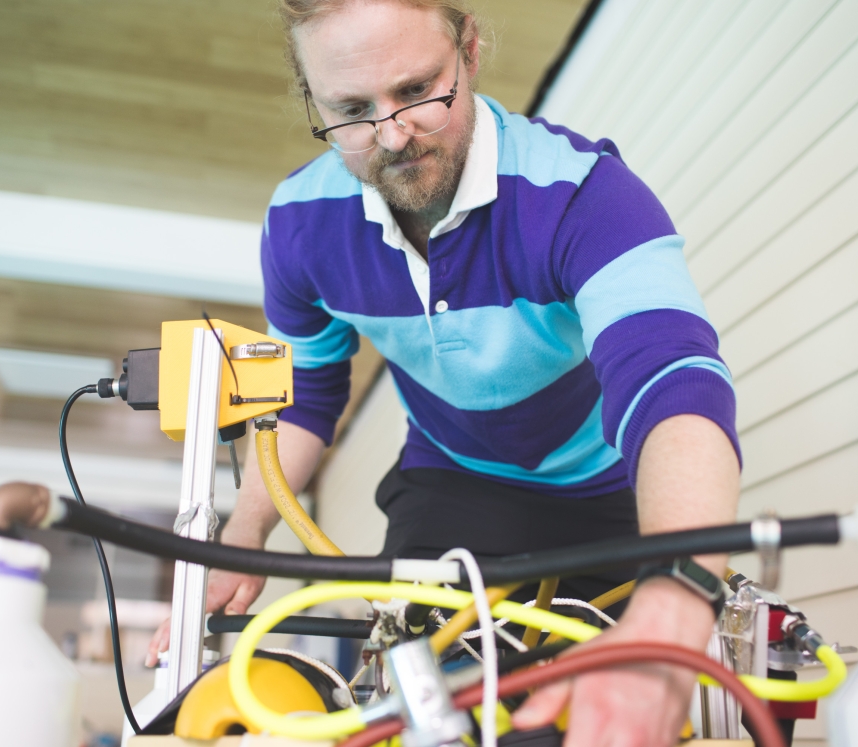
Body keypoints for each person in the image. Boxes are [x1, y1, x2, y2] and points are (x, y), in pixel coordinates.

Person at [146, 1, 742, 744]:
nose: (392, 134)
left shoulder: (587, 195)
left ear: (469, 48)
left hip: (612, 492)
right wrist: (245, 532)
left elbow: (673, 387)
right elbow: (305, 398)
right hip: (453, 486)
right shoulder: (300, 224)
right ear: (311, 98)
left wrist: (680, 594)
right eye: (352, 110)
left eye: (417, 90)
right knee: (437, 721)